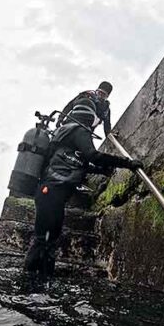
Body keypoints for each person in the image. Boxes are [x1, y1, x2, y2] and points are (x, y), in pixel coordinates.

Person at [24, 97, 142, 278]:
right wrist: (127, 163)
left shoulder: (64, 132)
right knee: (45, 241)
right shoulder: (79, 131)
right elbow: (92, 155)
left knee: (45, 239)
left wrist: (102, 171)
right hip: (53, 191)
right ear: (90, 117)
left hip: (48, 191)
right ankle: (36, 284)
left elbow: (77, 162)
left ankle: (33, 283)